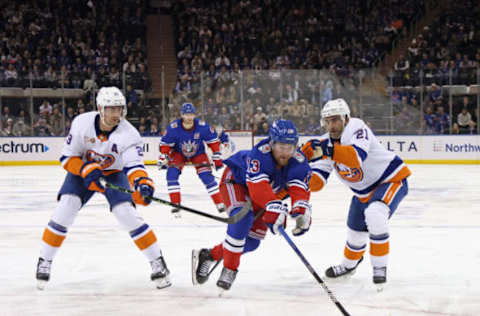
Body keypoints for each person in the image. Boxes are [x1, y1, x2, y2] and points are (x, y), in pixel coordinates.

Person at [36, 87, 171, 290]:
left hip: (113, 174)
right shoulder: (82, 123)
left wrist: (142, 183)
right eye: (111, 109)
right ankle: (44, 260)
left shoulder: (129, 134)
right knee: (66, 208)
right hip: (82, 171)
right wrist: (85, 169)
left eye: (119, 109)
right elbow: (66, 158)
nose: (116, 114)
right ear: (100, 108)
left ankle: (157, 262)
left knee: (126, 213)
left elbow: (134, 166)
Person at [300, 98, 411, 291]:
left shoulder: (357, 128)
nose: (331, 125)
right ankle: (348, 266)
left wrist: (325, 150)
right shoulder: (325, 143)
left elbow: (354, 158)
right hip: (362, 192)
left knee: (376, 214)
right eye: (328, 121)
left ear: (346, 118)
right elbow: (317, 182)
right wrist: (300, 169)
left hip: (390, 179)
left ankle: (379, 268)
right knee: (355, 233)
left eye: (335, 120)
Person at [192, 119, 312, 291]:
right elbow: (258, 189)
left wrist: (301, 211)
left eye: (289, 148)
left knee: (252, 242)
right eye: (280, 147)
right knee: (242, 219)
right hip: (235, 182)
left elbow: (299, 190)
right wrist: (274, 206)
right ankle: (229, 269)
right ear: (271, 143)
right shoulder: (260, 154)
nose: (285, 153)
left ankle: (209, 255)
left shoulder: (300, 162)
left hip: (266, 195)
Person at [158, 103, 225, 213]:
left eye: (191, 114)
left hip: (198, 153)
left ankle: (220, 203)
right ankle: (175, 203)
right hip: (178, 153)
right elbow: (165, 144)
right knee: (171, 175)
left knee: (207, 177)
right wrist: (163, 156)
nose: (189, 117)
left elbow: (213, 142)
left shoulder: (202, 126)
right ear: (182, 115)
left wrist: (216, 155)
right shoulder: (173, 127)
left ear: (194, 115)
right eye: (186, 115)